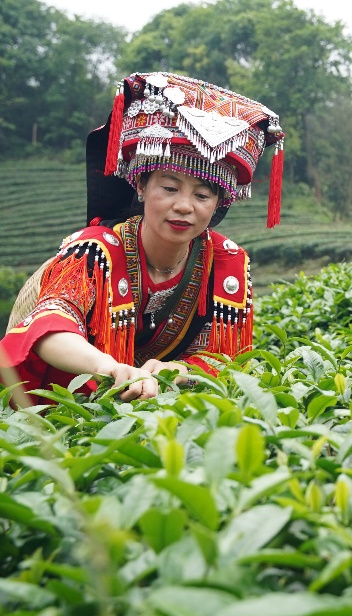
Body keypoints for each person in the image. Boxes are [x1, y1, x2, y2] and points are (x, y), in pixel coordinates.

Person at [1, 72, 284, 403]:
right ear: (140, 186)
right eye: (168, 188)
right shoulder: (94, 252)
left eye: (202, 195)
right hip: (82, 409)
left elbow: (226, 361)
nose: (183, 206)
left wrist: (179, 371)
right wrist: (112, 369)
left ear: (219, 203)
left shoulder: (228, 264)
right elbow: (48, 330)